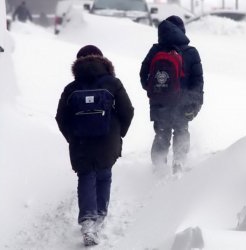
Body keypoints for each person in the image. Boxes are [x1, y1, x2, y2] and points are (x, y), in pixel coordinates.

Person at [55, 45, 134, 246]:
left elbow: (61, 117)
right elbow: (128, 111)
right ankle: (100, 214)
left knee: (86, 176)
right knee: (104, 174)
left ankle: (88, 222)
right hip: (108, 139)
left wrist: (72, 137)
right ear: (102, 60)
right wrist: (118, 133)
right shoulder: (113, 83)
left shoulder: (71, 89)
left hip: (81, 141)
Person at [140, 15, 204, 173]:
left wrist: (154, 91)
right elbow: (197, 81)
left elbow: (143, 75)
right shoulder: (190, 52)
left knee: (162, 132)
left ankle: (158, 166)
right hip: (183, 102)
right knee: (181, 130)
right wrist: (195, 104)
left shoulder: (155, 50)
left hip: (159, 102)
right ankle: (179, 162)